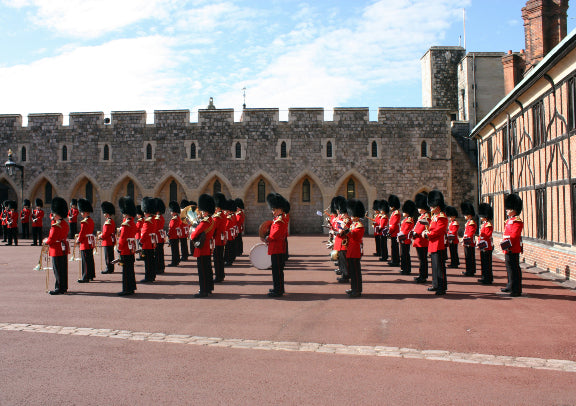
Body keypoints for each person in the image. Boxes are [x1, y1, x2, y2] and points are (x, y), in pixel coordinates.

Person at [190, 194, 216, 298]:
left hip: (202, 248)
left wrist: (193, 229)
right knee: (208, 269)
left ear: (205, 211)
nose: (200, 212)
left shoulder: (204, 222)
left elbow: (193, 235)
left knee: (203, 271)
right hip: (207, 247)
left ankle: (204, 290)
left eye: (202, 211)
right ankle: (209, 288)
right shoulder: (211, 221)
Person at [423, 190, 448, 295]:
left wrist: (428, 234)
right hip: (433, 244)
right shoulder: (434, 217)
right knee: (434, 266)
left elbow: (439, 231)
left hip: (438, 244)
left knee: (439, 267)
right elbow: (433, 228)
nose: (431, 208)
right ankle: (435, 284)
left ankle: (441, 287)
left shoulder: (442, 217)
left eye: (432, 206)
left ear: (438, 206)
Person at [43, 197, 69, 295]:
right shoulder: (64, 224)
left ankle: (59, 288)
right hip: (63, 248)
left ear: (56, 214)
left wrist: (45, 241)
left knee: (57, 269)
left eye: (54, 213)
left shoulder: (55, 226)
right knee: (63, 268)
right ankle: (64, 287)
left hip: (56, 249)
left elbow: (51, 239)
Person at [266, 193, 288, 297]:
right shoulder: (278, 219)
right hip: (276, 247)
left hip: (277, 248)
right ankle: (278, 288)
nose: (273, 211)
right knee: (276, 270)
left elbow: (275, 234)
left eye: (274, 209)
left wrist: (267, 238)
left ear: (279, 209)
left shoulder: (279, 220)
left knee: (277, 270)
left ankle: (278, 290)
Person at [501, 194, 524, 297]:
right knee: (509, 268)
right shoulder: (509, 220)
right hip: (507, 247)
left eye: (508, 208)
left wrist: (507, 245)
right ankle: (510, 285)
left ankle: (516, 289)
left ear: (514, 209)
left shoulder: (517, 221)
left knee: (514, 269)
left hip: (512, 248)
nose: (506, 210)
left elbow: (514, 236)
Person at [117, 197, 138, 296]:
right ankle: (131, 287)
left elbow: (122, 239)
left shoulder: (126, 225)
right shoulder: (132, 223)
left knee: (126, 271)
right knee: (130, 269)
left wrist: (119, 248)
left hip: (125, 249)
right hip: (131, 249)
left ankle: (126, 289)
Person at [345, 198, 365, 297]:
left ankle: (357, 290)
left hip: (355, 250)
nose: (351, 216)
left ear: (356, 216)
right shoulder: (354, 224)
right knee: (352, 271)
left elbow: (356, 237)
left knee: (356, 271)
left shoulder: (359, 225)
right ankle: (353, 287)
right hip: (351, 249)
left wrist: (347, 231)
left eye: (352, 214)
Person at [76, 199, 96, 283]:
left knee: (85, 260)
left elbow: (82, 233)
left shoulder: (84, 222)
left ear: (84, 212)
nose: (81, 214)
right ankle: (91, 275)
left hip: (85, 243)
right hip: (90, 242)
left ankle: (86, 277)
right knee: (90, 259)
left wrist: (78, 240)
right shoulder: (90, 220)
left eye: (81, 212)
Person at [412, 193, 430, 283]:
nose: (418, 209)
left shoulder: (426, 216)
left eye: (419, 207)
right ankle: (422, 275)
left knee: (423, 259)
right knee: (421, 259)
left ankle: (423, 276)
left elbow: (423, 228)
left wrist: (415, 233)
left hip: (422, 240)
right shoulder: (421, 216)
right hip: (419, 240)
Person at [333, 196, 350, 282]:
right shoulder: (343, 219)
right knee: (342, 260)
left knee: (344, 261)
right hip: (340, 242)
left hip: (344, 243)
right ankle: (344, 274)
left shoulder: (347, 221)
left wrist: (338, 232)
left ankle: (345, 276)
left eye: (343, 213)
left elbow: (342, 232)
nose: (342, 215)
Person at [140, 197, 157, 283]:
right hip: (151, 243)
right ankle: (152, 276)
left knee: (148, 262)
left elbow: (145, 233)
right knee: (151, 260)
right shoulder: (153, 220)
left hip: (147, 244)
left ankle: (148, 277)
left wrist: (141, 241)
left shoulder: (148, 221)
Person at [477, 203, 494, 285]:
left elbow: (487, 236)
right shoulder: (484, 224)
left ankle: (488, 278)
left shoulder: (488, 225)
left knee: (487, 264)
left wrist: (482, 244)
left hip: (486, 246)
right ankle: (484, 277)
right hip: (483, 245)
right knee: (483, 263)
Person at [212, 193, 227, 283]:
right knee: (220, 259)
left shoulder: (217, 217)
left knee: (217, 259)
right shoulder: (223, 215)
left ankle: (218, 276)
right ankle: (221, 275)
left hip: (217, 240)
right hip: (221, 240)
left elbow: (213, 228)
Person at [399, 200, 416, 275]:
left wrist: (401, 236)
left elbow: (406, 231)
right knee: (403, 254)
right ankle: (403, 268)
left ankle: (406, 269)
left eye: (404, 212)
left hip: (405, 239)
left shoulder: (409, 220)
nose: (403, 213)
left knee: (405, 254)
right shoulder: (406, 220)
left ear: (407, 212)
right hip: (402, 238)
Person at [461, 202, 477, 276]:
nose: (464, 216)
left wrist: (466, 240)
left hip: (469, 242)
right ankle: (469, 270)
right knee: (468, 257)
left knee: (470, 257)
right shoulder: (468, 222)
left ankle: (470, 271)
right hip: (467, 242)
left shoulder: (472, 223)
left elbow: (470, 233)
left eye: (466, 215)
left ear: (469, 215)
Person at [99, 201, 116, 274]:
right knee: (111, 255)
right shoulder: (111, 221)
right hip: (110, 240)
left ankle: (108, 268)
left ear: (107, 213)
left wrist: (100, 236)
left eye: (104, 213)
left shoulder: (108, 222)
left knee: (108, 256)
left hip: (107, 241)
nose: (104, 214)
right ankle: (111, 268)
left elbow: (106, 233)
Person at [387, 195, 401, 267]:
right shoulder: (394, 213)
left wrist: (390, 231)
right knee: (393, 247)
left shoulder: (396, 213)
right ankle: (394, 260)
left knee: (395, 247)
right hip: (393, 232)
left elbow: (394, 224)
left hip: (395, 232)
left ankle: (395, 261)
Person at [167, 201, 182, 267]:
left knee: (174, 250)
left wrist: (168, 234)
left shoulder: (174, 219)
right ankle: (177, 260)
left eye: (171, 211)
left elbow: (172, 228)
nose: (171, 212)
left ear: (174, 212)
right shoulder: (178, 218)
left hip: (173, 236)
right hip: (176, 235)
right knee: (176, 248)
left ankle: (174, 261)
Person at [154, 198, 166, 274]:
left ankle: (159, 268)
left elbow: (155, 229)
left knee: (157, 254)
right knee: (160, 253)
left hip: (157, 238)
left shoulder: (157, 218)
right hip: (160, 237)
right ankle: (161, 267)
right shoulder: (161, 217)